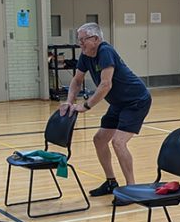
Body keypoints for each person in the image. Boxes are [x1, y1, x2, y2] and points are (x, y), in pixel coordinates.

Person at [60, 23, 152, 197]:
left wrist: (86, 105)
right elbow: (77, 80)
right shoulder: (86, 55)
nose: (80, 44)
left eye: (82, 40)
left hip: (136, 101)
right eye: (79, 41)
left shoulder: (105, 51)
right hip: (118, 104)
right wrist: (69, 102)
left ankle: (131, 189)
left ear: (95, 39)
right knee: (99, 139)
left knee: (118, 142)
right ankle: (111, 182)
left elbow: (106, 84)